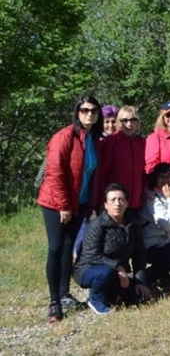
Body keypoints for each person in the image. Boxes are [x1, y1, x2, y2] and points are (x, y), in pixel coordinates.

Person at [38, 95, 104, 323]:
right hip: (55, 203)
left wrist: (91, 205)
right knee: (56, 248)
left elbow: (93, 175)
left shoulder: (94, 139)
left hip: (80, 203)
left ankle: (65, 294)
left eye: (94, 111)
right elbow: (55, 174)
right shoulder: (64, 136)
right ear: (77, 112)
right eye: (84, 110)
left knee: (68, 248)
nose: (89, 114)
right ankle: (54, 302)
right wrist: (64, 206)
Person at [74, 184, 152, 315]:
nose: (117, 203)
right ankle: (94, 299)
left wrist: (140, 282)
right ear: (105, 204)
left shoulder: (132, 225)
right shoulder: (97, 225)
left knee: (138, 297)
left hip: (116, 273)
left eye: (121, 199)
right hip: (89, 269)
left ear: (127, 203)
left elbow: (140, 254)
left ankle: (111, 293)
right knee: (106, 272)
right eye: (113, 200)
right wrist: (118, 267)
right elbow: (91, 255)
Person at [140, 163, 170, 284]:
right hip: (152, 244)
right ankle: (147, 277)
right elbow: (169, 226)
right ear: (155, 179)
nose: (166, 180)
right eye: (161, 176)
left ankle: (166, 274)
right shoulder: (152, 198)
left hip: (168, 240)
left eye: (169, 176)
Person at [103, 105, 146, 215]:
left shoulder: (142, 143)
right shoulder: (110, 142)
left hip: (136, 202)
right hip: (115, 204)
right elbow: (102, 173)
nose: (129, 124)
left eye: (133, 120)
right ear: (118, 122)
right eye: (125, 120)